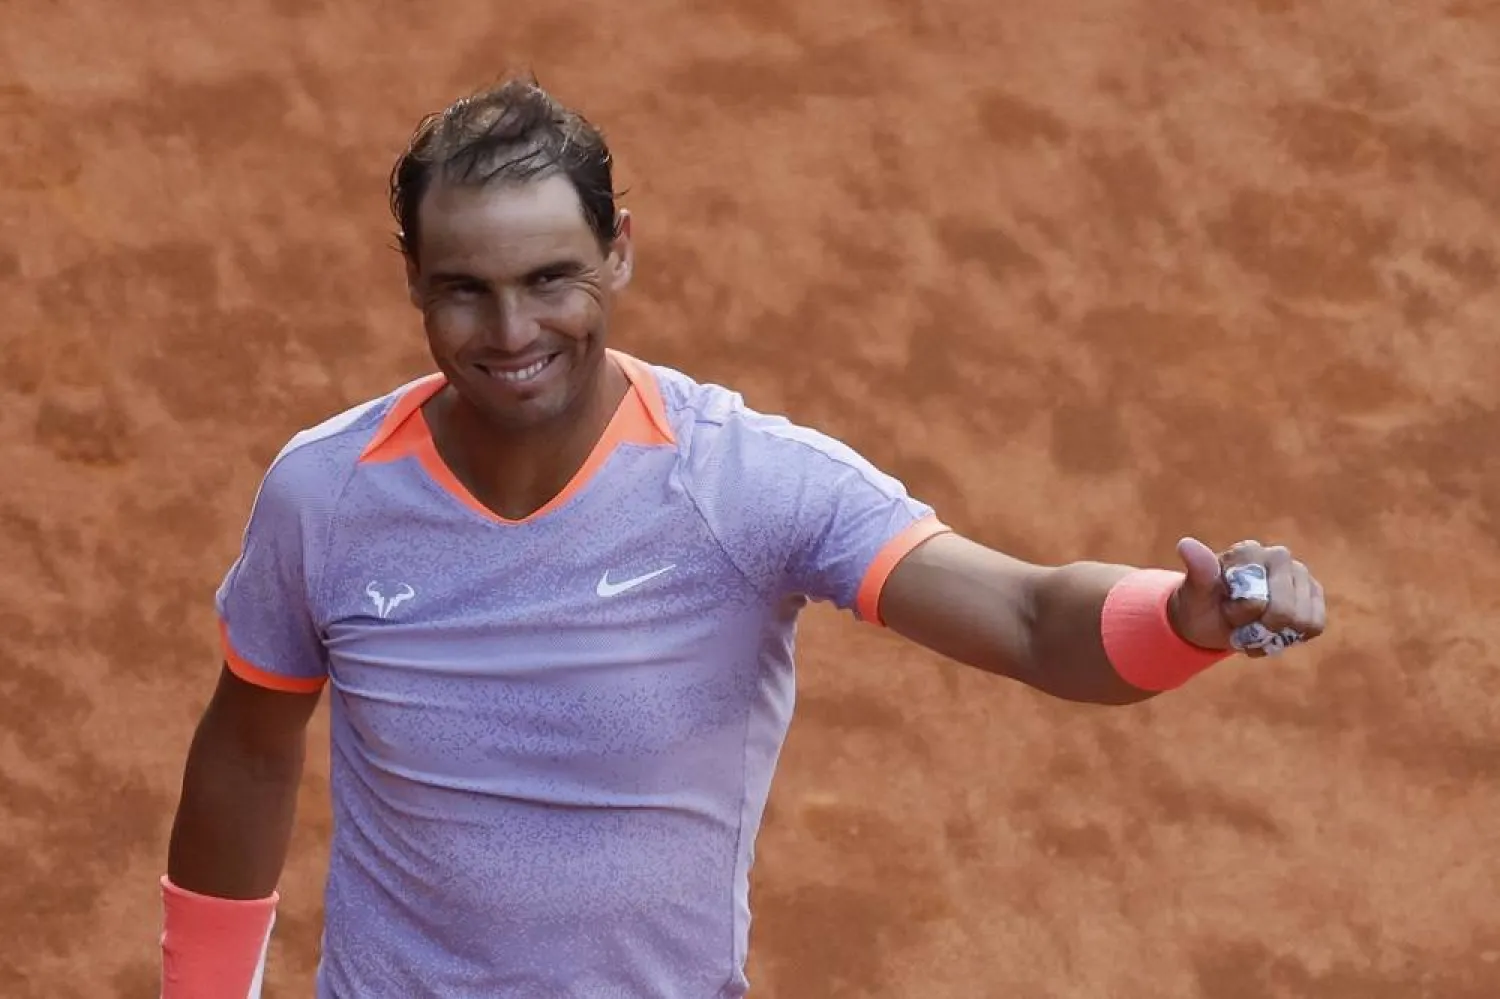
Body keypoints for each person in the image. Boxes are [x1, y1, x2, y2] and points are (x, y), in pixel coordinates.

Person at [159, 77, 1328, 998]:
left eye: (552, 278)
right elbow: (251, 747)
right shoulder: (329, 499)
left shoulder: (739, 485)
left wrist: (1184, 621)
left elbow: (1027, 619)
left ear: (620, 249)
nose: (511, 331)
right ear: (412, 278)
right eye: (465, 288)